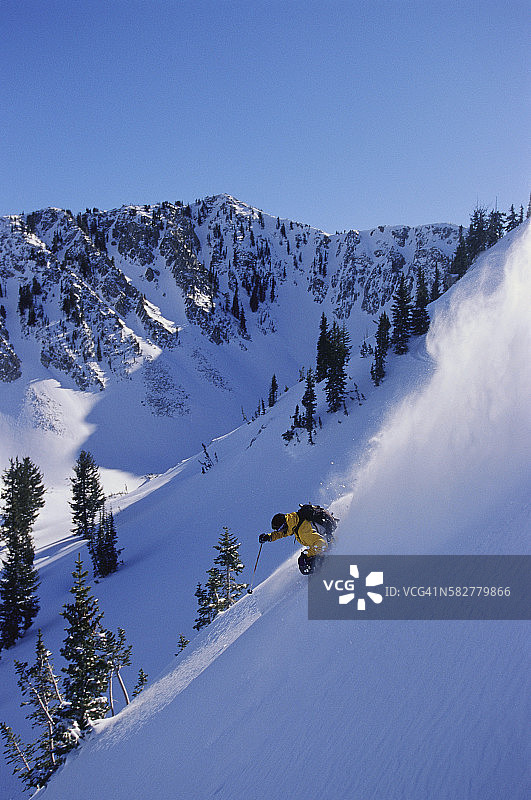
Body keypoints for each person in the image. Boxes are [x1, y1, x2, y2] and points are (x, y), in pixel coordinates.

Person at [259, 510, 328, 574]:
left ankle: (321, 571)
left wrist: (306, 554)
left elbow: (322, 545)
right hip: (323, 542)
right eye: (278, 530)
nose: (280, 531)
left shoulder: (303, 531)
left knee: (304, 560)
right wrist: (269, 537)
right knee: (304, 559)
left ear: (284, 525)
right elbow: (282, 533)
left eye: (280, 529)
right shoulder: (294, 521)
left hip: (328, 545)